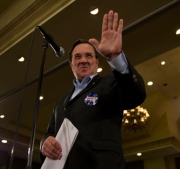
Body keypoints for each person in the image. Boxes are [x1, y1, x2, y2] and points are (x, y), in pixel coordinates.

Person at [40, 10, 146, 169]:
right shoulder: (61, 102)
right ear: (71, 65)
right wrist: (44, 143)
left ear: (97, 62)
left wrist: (115, 57)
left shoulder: (110, 83)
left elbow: (136, 95)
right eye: (77, 57)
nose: (83, 60)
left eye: (89, 56)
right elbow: (50, 133)